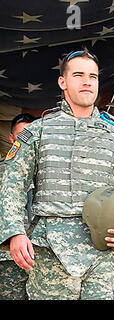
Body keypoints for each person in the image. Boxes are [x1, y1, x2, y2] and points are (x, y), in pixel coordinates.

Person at [0, 49, 114, 300]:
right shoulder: (38, 132)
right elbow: (12, 185)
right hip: (50, 255)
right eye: (79, 75)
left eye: (93, 76)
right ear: (63, 82)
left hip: (103, 258)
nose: (87, 81)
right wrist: (15, 232)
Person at [0, 113, 36, 300]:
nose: (26, 140)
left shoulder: (46, 172)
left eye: (30, 134)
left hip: (39, 254)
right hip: (8, 256)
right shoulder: (2, 171)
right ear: (12, 138)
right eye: (21, 135)